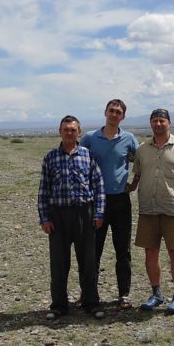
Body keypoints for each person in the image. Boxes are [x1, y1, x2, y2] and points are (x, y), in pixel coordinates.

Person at [37, 115, 106, 320]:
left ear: (79, 132)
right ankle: (59, 305)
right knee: (59, 263)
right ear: (60, 131)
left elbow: (98, 186)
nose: (69, 133)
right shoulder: (50, 158)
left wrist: (99, 213)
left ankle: (91, 302)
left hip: (84, 213)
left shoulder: (88, 155)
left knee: (88, 261)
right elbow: (43, 190)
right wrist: (45, 218)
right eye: (66, 129)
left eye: (73, 130)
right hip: (58, 216)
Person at [129, 108, 174, 315]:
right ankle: (156, 294)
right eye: (155, 121)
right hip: (148, 209)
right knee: (150, 252)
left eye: (162, 121)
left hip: (173, 209)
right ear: (150, 124)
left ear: (169, 123)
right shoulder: (142, 149)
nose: (158, 124)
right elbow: (138, 174)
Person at [80, 99, 140, 310]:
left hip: (120, 201)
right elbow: (79, 161)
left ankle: (124, 294)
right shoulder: (90, 138)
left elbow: (141, 160)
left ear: (123, 117)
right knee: (93, 250)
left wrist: (134, 182)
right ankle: (88, 294)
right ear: (105, 113)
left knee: (122, 249)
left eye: (118, 112)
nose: (114, 114)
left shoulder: (129, 138)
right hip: (96, 201)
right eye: (111, 111)